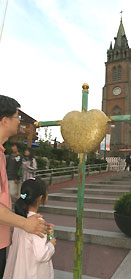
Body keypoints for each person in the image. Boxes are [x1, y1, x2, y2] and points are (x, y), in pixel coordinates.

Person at [0, 95, 47, 278]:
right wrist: (25, 224)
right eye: (16, 118)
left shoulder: (2, 153)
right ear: (4, 120)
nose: (19, 122)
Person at [3, 178, 56, 279]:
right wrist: (51, 244)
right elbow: (42, 254)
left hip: (20, 270)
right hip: (33, 273)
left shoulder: (19, 219)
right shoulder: (37, 223)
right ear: (41, 198)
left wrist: (49, 232)